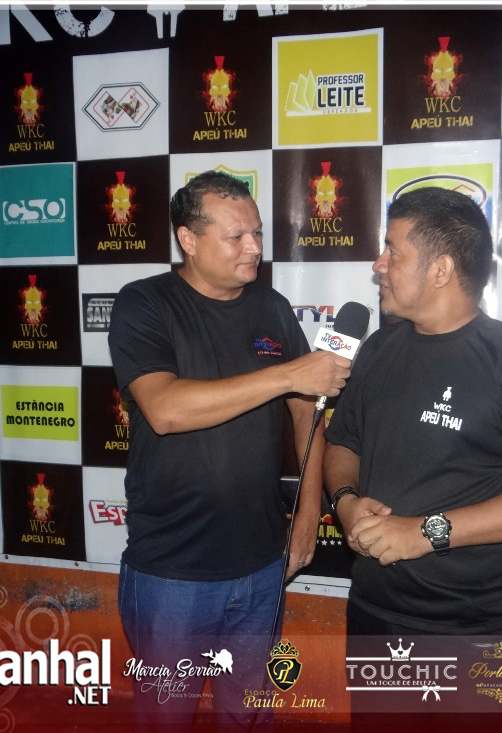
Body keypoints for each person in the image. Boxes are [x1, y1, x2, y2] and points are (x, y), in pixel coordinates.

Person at [323, 187, 502, 731]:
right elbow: (343, 444)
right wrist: (346, 503)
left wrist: (424, 533)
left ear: (440, 269)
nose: (378, 265)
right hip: (375, 614)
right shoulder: (377, 349)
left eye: (393, 252)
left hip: (477, 630)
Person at [108, 171, 351, 732]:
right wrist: (287, 373)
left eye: (258, 233)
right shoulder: (145, 303)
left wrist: (308, 516)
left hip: (262, 564)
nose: (254, 248)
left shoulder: (272, 307)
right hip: (173, 571)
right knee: (165, 720)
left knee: (249, 717)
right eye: (236, 236)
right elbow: (165, 409)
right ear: (188, 239)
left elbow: (305, 413)